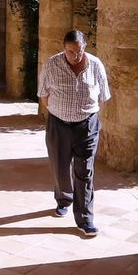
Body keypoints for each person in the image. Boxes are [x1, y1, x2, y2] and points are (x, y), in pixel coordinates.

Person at [37, 30, 111, 238]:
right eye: (70, 52)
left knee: (84, 171)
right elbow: (43, 94)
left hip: (87, 125)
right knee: (60, 167)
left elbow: (103, 96)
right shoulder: (52, 65)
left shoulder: (96, 65)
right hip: (58, 124)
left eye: (78, 52)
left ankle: (85, 218)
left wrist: (88, 114)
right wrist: (58, 113)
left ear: (85, 47)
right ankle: (63, 199)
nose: (75, 56)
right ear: (64, 48)